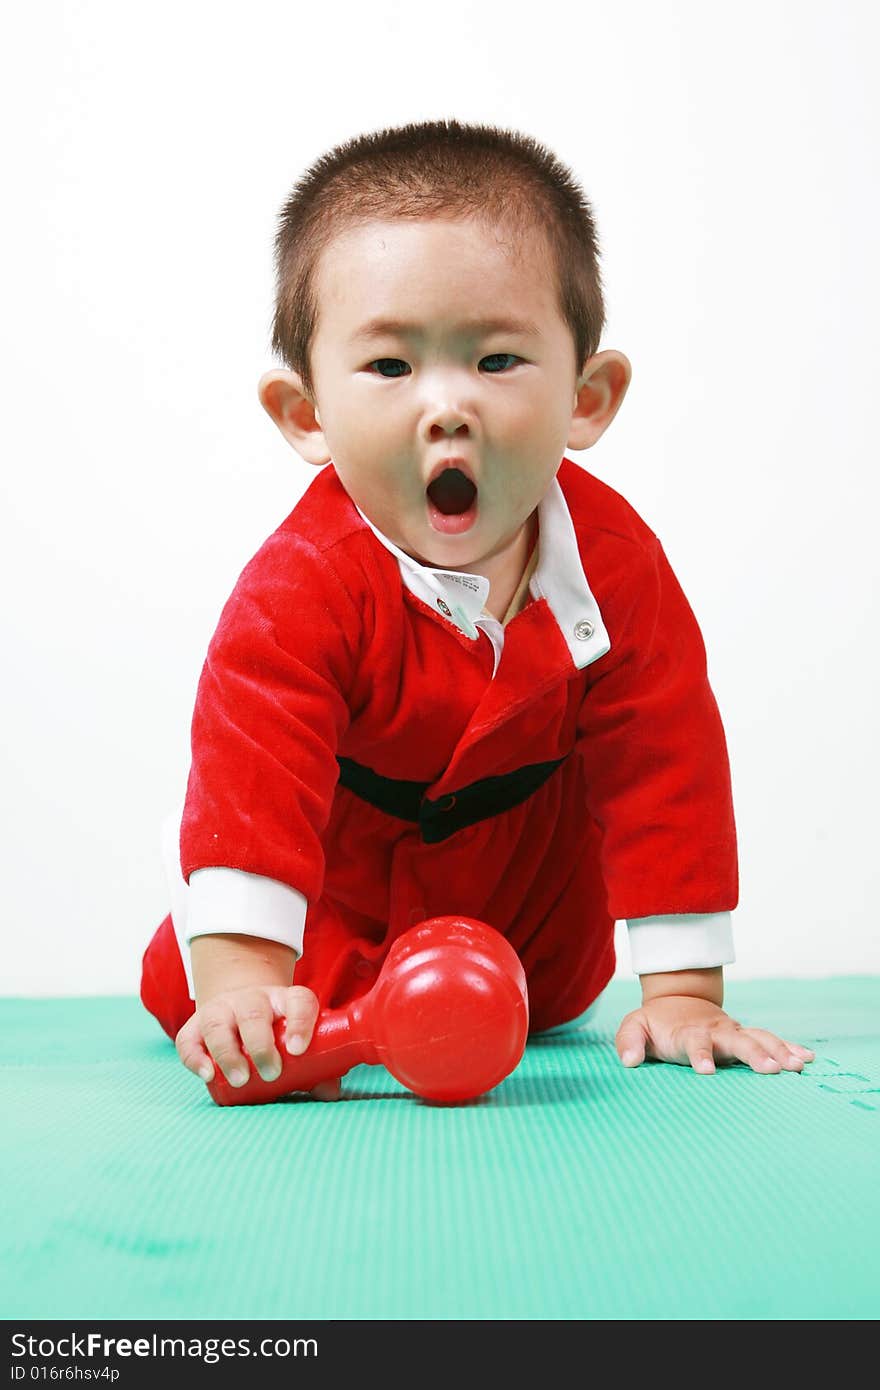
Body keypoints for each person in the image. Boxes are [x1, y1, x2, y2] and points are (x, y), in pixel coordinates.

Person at [140, 118, 814, 1100]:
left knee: (538, 998)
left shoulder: (618, 568)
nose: (446, 405)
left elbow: (665, 764)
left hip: (526, 915)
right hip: (339, 892)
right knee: (219, 989)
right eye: (390, 367)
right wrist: (246, 985)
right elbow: (258, 773)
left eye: (496, 361)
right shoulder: (296, 590)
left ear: (588, 397)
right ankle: (222, 940)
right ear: (305, 416)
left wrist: (681, 992)